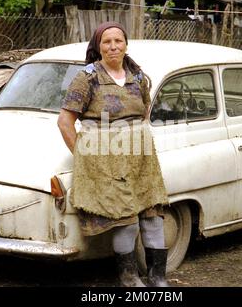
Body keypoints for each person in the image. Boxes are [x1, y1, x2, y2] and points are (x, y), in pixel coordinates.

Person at [57, 22, 169, 287]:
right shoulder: (87, 78)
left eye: (118, 41)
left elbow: (143, 113)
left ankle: (158, 277)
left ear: (126, 44)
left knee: (153, 217)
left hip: (141, 161)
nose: (113, 46)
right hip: (105, 165)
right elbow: (64, 121)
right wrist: (86, 158)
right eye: (106, 42)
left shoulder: (138, 76)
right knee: (126, 222)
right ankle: (129, 279)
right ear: (98, 47)